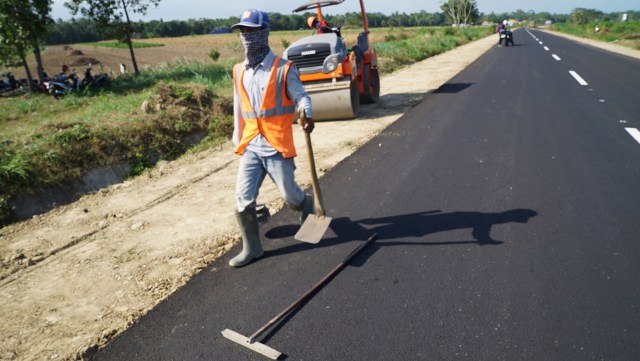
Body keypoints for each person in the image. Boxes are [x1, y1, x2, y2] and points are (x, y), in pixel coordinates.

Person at [229, 9, 316, 268]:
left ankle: (307, 205)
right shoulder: (238, 71)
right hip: (252, 146)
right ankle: (253, 248)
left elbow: (301, 96)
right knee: (243, 199)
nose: (246, 36)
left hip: (277, 144)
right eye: (243, 31)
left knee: (291, 199)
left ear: (263, 33)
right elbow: (239, 108)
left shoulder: (284, 68)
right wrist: (238, 140)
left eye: (251, 31)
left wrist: (305, 113)